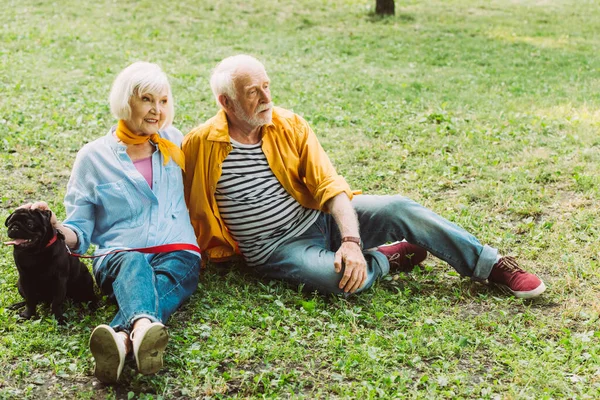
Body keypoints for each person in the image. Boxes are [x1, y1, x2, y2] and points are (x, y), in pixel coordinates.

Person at [182, 54, 545, 300]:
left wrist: (352, 241)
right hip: (277, 249)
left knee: (400, 207)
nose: (266, 98)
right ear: (225, 102)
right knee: (341, 282)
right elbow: (169, 195)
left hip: (321, 219)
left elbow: (330, 187)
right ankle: (388, 258)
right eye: (253, 93)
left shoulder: (288, 124)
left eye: (267, 86)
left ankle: (490, 263)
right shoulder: (199, 146)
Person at [22, 61, 201, 383]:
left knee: (166, 279)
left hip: (177, 249)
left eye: (162, 101)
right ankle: (144, 330)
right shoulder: (93, 157)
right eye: (147, 99)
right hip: (119, 254)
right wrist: (53, 227)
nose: (156, 110)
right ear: (125, 101)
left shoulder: (175, 141)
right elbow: (79, 230)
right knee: (133, 262)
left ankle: (120, 338)